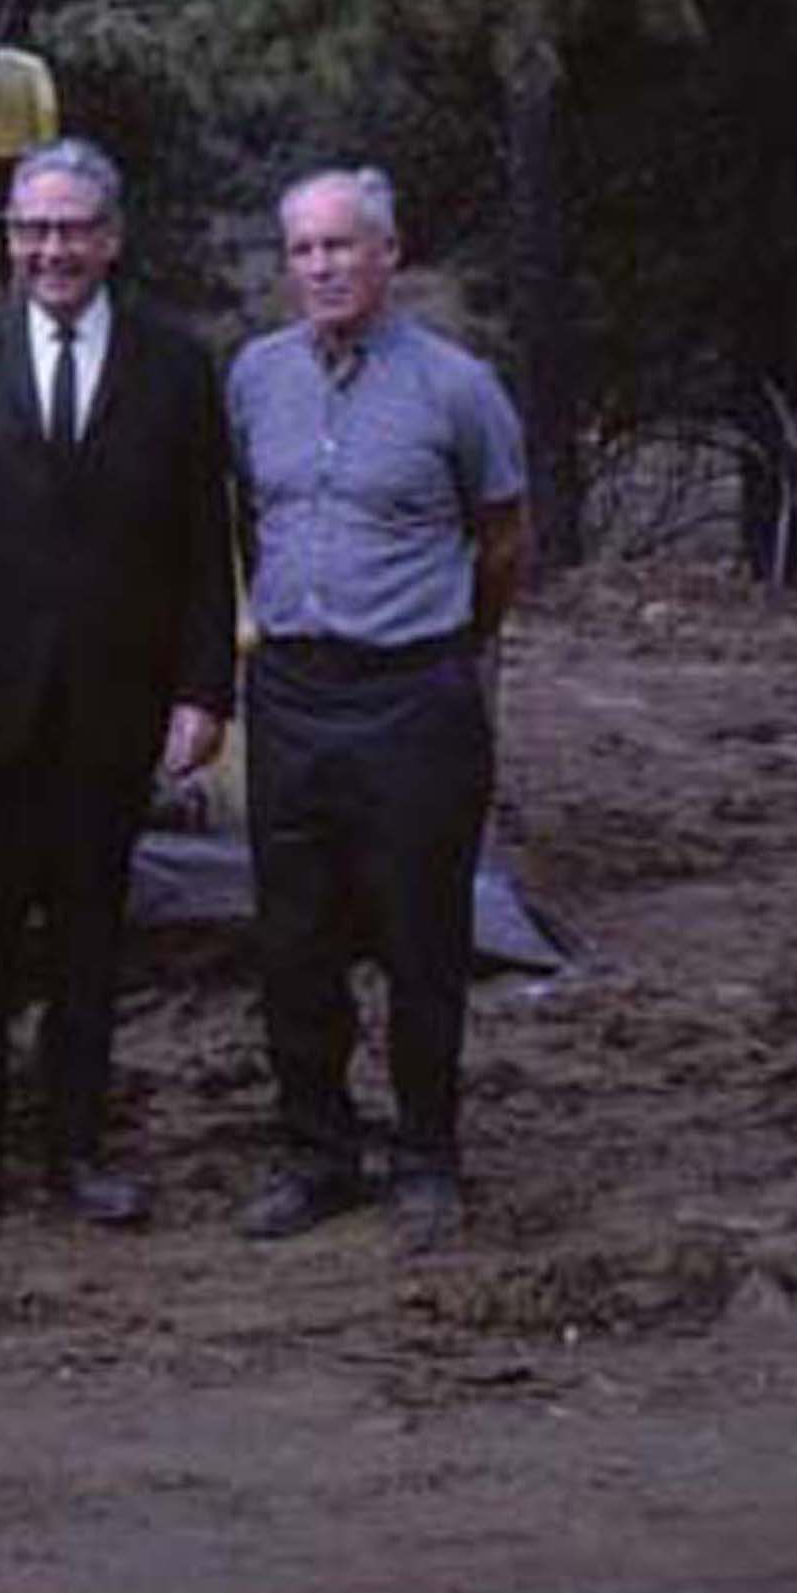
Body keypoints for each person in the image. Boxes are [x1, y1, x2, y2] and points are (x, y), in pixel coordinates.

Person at [0, 139, 236, 1242]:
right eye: (33, 229)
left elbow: (201, 541)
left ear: (113, 237)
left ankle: (79, 1153)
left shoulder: (180, 367)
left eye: (74, 226)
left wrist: (203, 689)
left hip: (112, 704)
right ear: (10, 242)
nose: (52, 247)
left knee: (92, 941)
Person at [226, 166, 528, 1254]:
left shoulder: (457, 388)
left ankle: (427, 1156)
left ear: (389, 254)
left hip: (413, 695)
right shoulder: (254, 379)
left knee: (419, 936)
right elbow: (245, 514)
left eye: (342, 247)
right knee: (294, 937)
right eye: (302, 250)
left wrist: (448, 636)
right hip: (293, 694)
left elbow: (501, 539)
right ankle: (317, 1152)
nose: (320, 268)